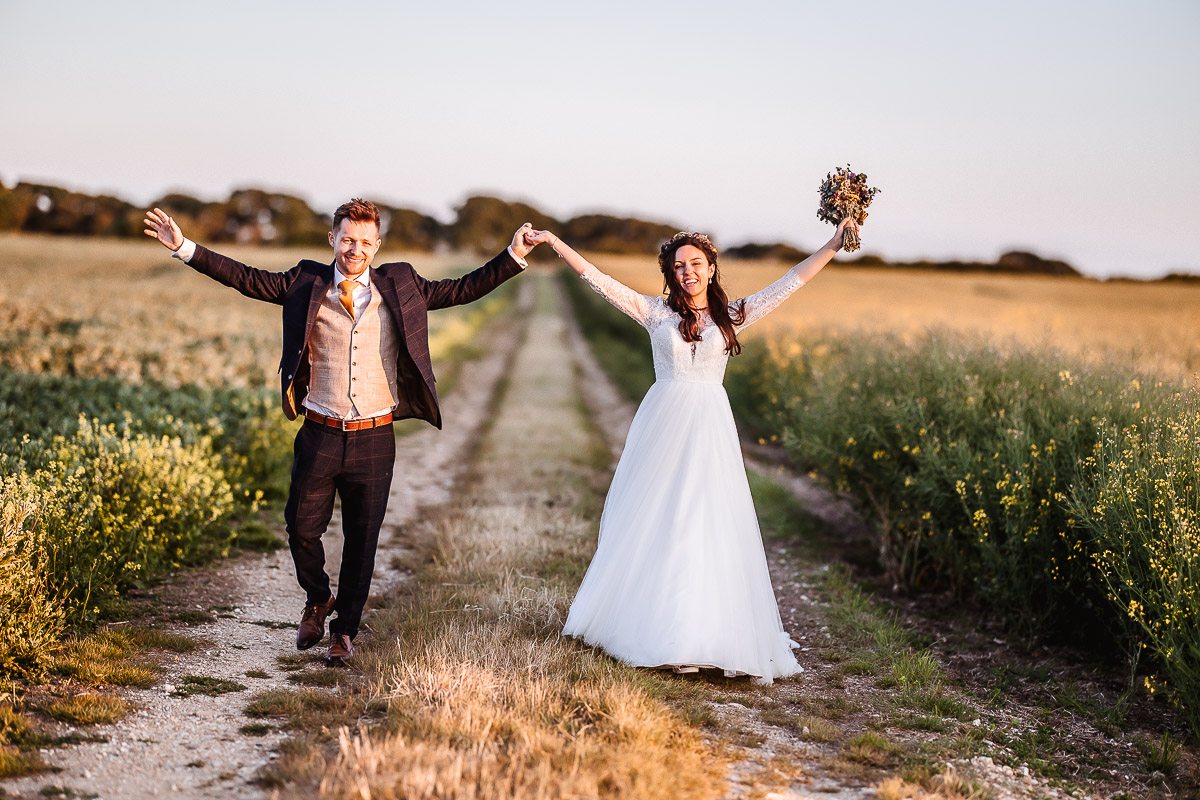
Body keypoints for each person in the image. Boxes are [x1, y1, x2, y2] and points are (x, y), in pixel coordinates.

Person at [144, 199, 538, 663]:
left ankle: (344, 631)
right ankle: (318, 596)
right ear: (333, 239)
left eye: (366, 242)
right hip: (320, 429)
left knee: (362, 539)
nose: (356, 250)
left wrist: (511, 256)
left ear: (377, 245)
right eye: (348, 240)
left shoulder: (403, 283)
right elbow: (246, 278)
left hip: (375, 434)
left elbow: (463, 289)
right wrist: (184, 247)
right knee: (300, 528)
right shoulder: (305, 282)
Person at [524, 217, 857, 684]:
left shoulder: (733, 315)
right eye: (679, 265)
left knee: (707, 519)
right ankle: (664, 632)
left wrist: (833, 244)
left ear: (711, 268)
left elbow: (790, 283)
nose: (688, 272)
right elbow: (597, 280)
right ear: (670, 272)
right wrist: (555, 242)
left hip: (710, 428)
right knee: (663, 517)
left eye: (696, 264)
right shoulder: (654, 313)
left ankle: (706, 633)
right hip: (663, 425)